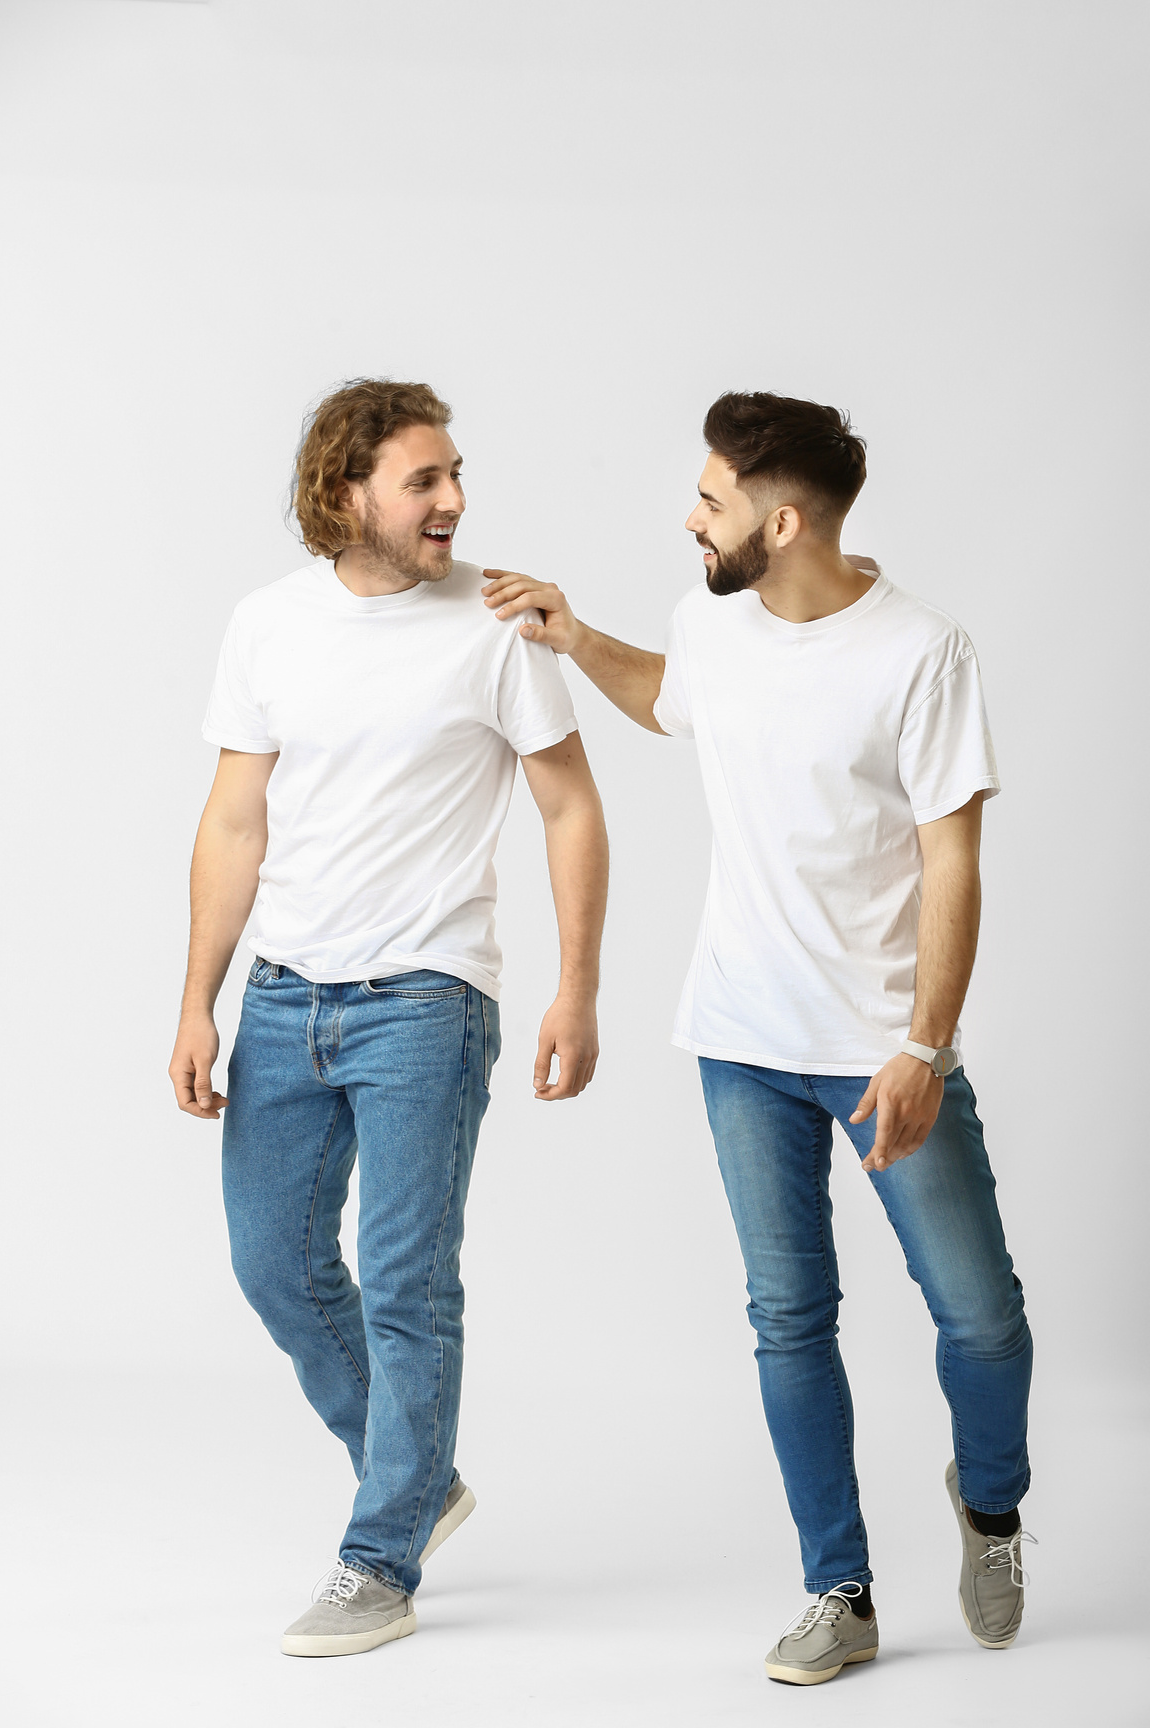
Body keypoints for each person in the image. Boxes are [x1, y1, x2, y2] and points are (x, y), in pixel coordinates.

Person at [482, 391, 1034, 1685]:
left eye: (711, 500)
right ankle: (838, 1589)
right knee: (789, 1319)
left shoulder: (922, 652)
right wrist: (576, 635)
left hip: (886, 1052)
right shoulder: (709, 623)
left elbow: (954, 861)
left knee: (982, 1319)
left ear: (781, 523)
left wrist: (924, 1047)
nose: (691, 517)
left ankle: (993, 1507)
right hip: (741, 1040)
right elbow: (680, 701)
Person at [168, 379, 608, 1658]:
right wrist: (196, 999)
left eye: (456, 474)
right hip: (282, 995)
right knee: (275, 1265)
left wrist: (577, 984)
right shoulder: (267, 624)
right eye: (425, 480)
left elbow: (570, 807)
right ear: (346, 491)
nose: (454, 500)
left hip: (428, 997)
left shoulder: (496, 623)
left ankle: (380, 1556)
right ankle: (417, 1477)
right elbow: (233, 822)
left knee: (408, 1282)